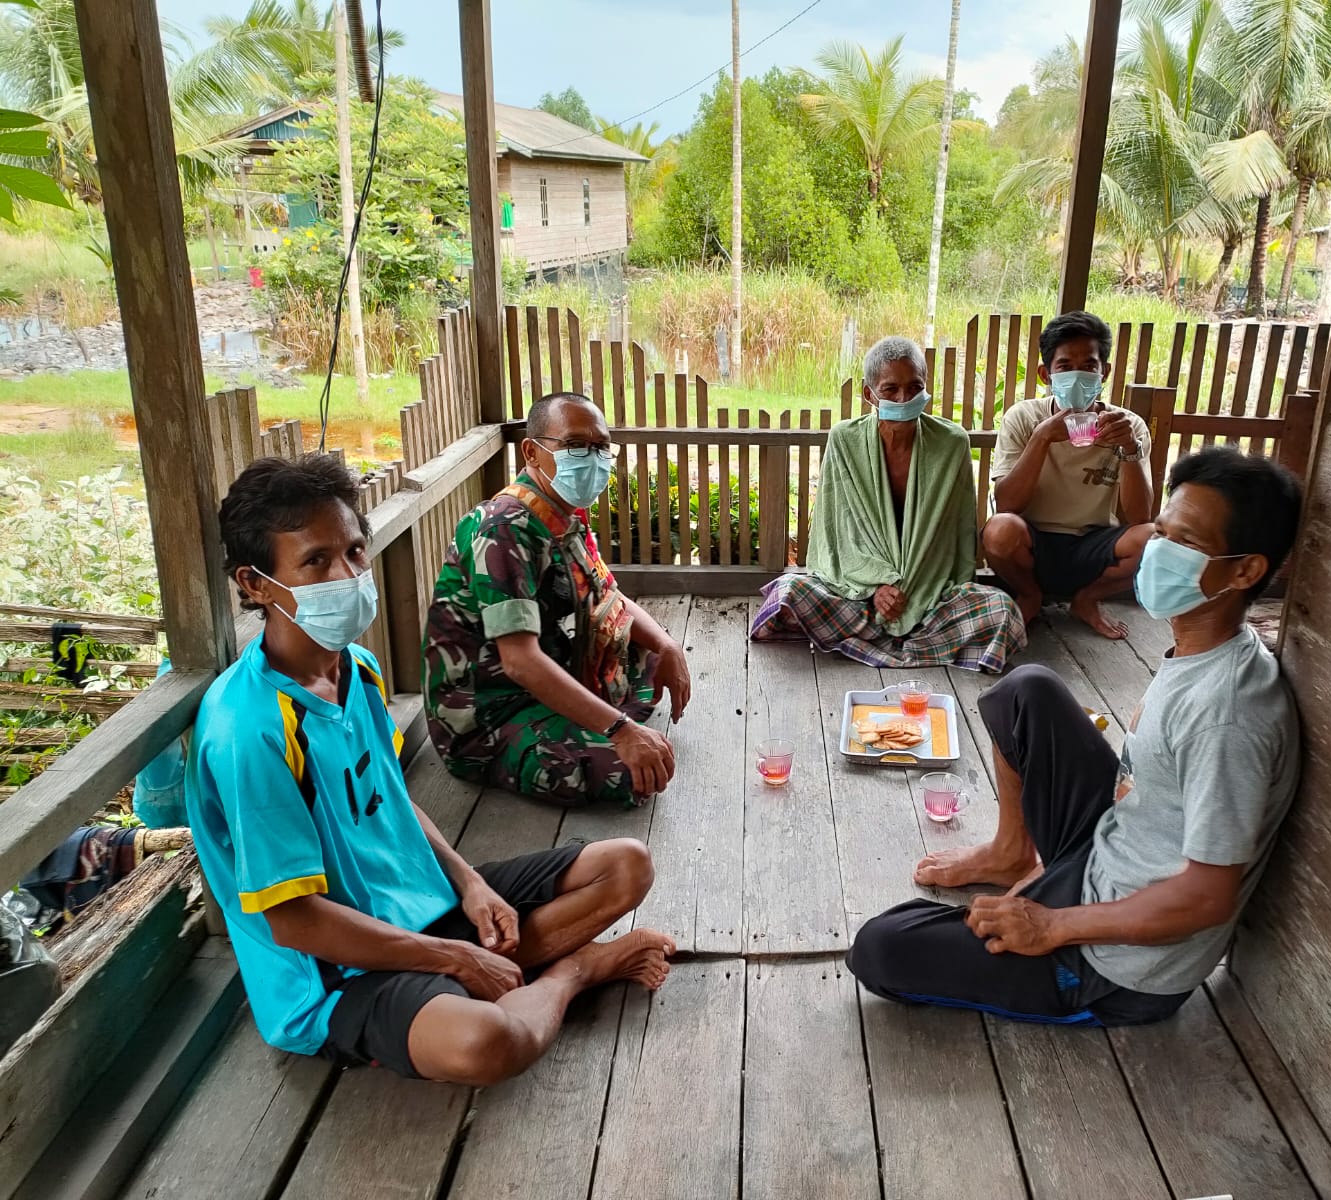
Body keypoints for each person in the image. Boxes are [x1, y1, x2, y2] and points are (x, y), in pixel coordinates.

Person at [188, 454, 675, 1085]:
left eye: (355, 552)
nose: (346, 574)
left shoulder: (354, 668)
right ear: (254, 584)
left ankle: (489, 972)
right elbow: (293, 920)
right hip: (338, 971)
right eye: (315, 561)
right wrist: (456, 959)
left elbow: (390, 798)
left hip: (424, 905)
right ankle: (576, 970)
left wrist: (471, 883)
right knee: (486, 1045)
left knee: (626, 865)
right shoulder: (247, 730)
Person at [848, 447, 1303, 1027]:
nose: (1157, 552)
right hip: (1112, 849)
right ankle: (1012, 852)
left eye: (1184, 543)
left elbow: (1206, 897)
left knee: (881, 947)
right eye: (1159, 532)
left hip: (1116, 967)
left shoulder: (1228, 714)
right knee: (1027, 690)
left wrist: (1052, 923)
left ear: (1245, 571)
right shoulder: (1207, 649)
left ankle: (1063, 963)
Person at [424, 392, 692, 807]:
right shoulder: (503, 529)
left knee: (649, 656)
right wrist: (621, 731)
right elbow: (519, 661)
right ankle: (563, 736)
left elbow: (609, 596)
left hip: (551, 663)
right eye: (575, 445)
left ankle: (595, 718)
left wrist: (666, 644)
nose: (593, 458)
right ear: (532, 451)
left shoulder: (561, 515)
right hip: (491, 709)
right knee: (632, 774)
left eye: (601, 447)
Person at [749, 335, 1024, 673]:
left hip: (928, 594)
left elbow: (955, 538)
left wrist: (913, 591)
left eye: (914, 387)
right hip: (860, 594)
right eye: (890, 389)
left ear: (926, 389)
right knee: (789, 593)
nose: (903, 398)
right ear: (869, 394)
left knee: (1002, 611)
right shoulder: (844, 440)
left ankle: (872, 641)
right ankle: (922, 646)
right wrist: (875, 586)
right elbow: (836, 533)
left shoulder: (952, 444)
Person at [984, 311, 1156, 639]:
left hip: (1093, 541)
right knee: (998, 531)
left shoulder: (1127, 425)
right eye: (1064, 366)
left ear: (1104, 371)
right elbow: (1006, 505)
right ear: (1045, 374)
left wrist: (1129, 449)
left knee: (1156, 541)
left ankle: (1087, 599)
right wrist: (1042, 437)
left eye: (1089, 366)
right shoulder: (1024, 417)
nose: (1077, 375)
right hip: (1034, 542)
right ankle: (1030, 594)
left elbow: (1140, 516)